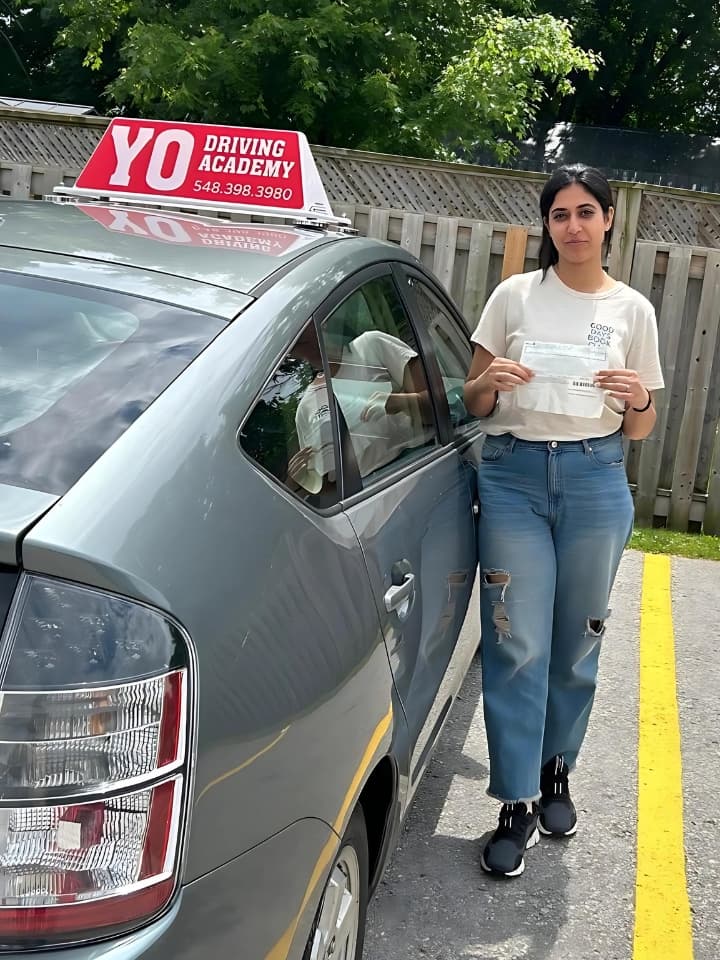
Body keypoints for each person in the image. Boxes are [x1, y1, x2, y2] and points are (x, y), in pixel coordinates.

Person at [463, 164, 664, 878]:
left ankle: (557, 773)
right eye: (559, 215)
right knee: (515, 640)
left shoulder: (631, 310)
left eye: (586, 212)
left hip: (596, 478)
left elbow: (640, 429)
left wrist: (637, 396)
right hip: (514, 475)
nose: (573, 226)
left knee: (579, 640)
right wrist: (490, 382)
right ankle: (514, 800)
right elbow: (474, 401)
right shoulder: (515, 296)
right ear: (546, 225)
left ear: (609, 219)